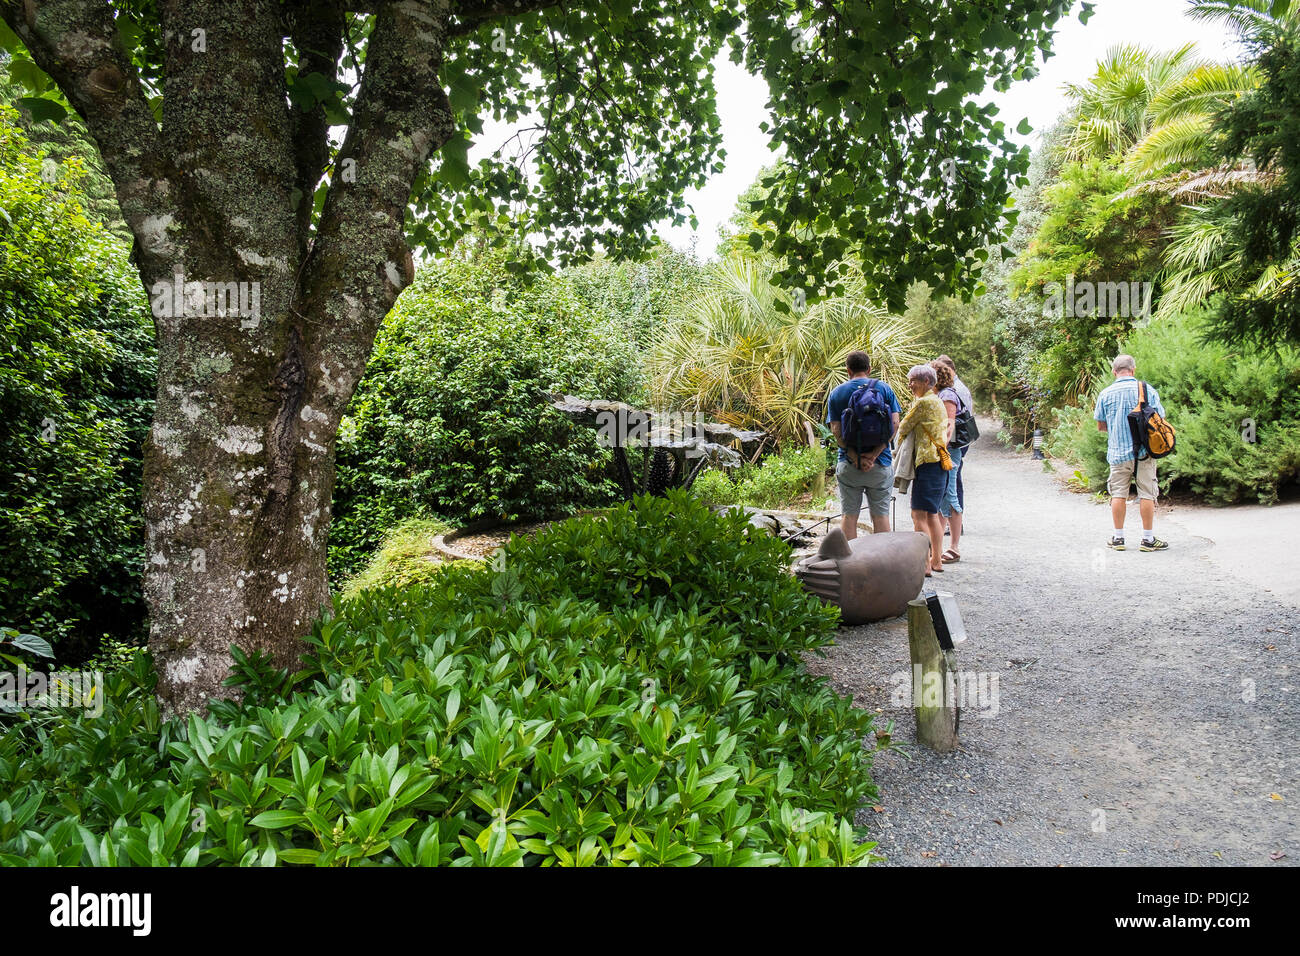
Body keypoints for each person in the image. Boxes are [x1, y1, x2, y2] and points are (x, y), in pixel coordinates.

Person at [1094, 354, 1169, 551]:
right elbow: (1159, 419)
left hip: (1118, 452)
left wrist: (1118, 428)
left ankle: (1118, 539)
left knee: (1118, 493)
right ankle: (1147, 539)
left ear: (1114, 372)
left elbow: (1101, 426)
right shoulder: (1147, 390)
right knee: (1146, 494)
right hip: (1145, 452)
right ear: (1133, 370)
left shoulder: (1106, 394)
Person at [826, 351, 901, 539]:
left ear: (848, 370)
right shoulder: (884, 389)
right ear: (868, 369)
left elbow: (836, 429)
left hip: (849, 465)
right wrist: (875, 454)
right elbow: (895, 424)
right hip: (880, 464)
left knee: (849, 516)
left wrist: (854, 456)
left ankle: (851, 564)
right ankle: (882, 563)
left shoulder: (837, 392)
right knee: (881, 516)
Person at [895, 364, 949, 575]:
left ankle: (925, 564)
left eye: (913, 381)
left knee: (918, 514)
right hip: (940, 463)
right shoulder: (938, 401)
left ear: (926, 381)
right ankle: (936, 560)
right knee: (932, 514)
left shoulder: (924, 402)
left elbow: (903, 426)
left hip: (927, 463)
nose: (910, 385)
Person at [931, 359, 965, 563]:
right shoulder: (941, 394)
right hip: (946, 451)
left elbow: (949, 425)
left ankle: (954, 547)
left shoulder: (947, 396)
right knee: (944, 497)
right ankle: (940, 547)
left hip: (950, 452)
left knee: (951, 496)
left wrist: (940, 448)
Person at [937, 354, 972, 515]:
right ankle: (952, 518)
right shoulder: (956, 387)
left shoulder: (954, 390)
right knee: (953, 479)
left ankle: (954, 518)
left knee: (953, 480)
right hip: (958, 438)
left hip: (955, 440)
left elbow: (952, 420)